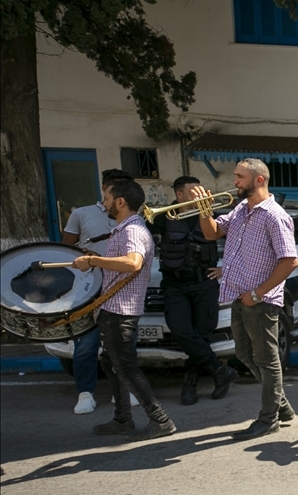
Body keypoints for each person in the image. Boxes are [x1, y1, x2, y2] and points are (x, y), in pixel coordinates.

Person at [194, 159, 298, 440]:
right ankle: (281, 406)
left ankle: (268, 419)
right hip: (240, 296)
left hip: (261, 300)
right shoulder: (241, 209)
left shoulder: (275, 216)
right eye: (235, 176)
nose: (235, 182)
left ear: (259, 180)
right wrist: (204, 210)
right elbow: (211, 232)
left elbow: (290, 261)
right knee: (243, 354)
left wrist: (257, 293)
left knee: (266, 360)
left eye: (240, 177)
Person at [71, 179, 176, 441]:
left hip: (120, 310)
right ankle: (123, 419)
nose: (103, 203)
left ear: (120, 202)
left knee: (126, 367)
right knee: (112, 362)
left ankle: (160, 420)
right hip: (114, 309)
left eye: (106, 198)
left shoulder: (132, 231)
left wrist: (93, 260)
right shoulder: (124, 229)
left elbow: (132, 263)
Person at [148, 176, 237, 405]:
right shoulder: (163, 218)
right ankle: (219, 370)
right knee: (180, 330)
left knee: (203, 334)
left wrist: (224, 268)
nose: (200, 194)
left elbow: (239, 243)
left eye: (201, 189)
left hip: (204, 283)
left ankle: (190, 383)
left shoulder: (212, 215)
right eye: (194, 191)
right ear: (179, 195)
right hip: (175, 284)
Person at [62, 168, 135, 414]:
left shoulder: (133, 219)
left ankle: (123, 392)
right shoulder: (81, 214)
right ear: (106, 189)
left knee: (123, 344)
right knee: (86, 344)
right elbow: (66, 250)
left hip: (120, 287)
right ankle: (85, 393)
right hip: (87, 288)